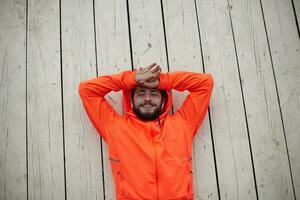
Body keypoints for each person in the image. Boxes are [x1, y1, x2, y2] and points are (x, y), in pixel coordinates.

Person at [78, 63, 214, 200]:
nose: (147, 99)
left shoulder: (183, 124)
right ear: (131, 100)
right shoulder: (115, 127)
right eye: (141, 93)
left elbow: (205, 84)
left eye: (154, 93)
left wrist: (164, 81)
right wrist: (131, 79)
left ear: (163, 100)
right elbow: (86, 90)